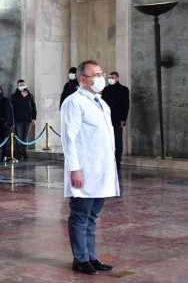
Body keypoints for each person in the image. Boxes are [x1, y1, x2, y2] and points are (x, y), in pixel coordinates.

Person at [61, 60, 119, 275]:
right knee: (80, 215)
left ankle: (91, 256)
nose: (101, 78)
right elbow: (70, 138)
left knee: (92, 217)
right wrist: (74, 169)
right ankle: (80, 259)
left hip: (101, 170)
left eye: (101, 73)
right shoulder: (74, 102)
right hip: (84, 169)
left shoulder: (101, 103)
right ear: (83, 79)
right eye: (95, 74)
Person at [102, 72, 130, 170]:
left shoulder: (123, 90)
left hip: (117, 119)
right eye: (109, 77)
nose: (110, 79)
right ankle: (108, 160)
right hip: (106, 119)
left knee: (117, 141)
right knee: (107, 141)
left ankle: (117, 161)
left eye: (112, 77)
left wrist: (123, 119)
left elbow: (126, 105)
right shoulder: (105, 90)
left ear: (117, 78)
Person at [11, 80, 37, 161]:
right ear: (17, 85)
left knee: (25, 137)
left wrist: (34, 117)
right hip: (18, 120)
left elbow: (33, 107)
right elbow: (12, 108)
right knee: (19, 137)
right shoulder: (14, 96)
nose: (22, 85)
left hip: (28, 119)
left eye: (23, 84)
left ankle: (24, 152)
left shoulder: (30, 95)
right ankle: (19, 153)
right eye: (20, 84)